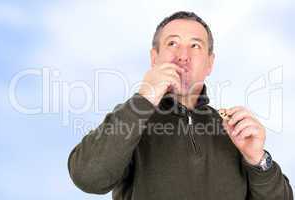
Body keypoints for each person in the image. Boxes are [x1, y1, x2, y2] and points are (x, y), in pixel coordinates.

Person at [68, 11, 293, 200]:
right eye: (172, 43)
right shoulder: (130, 121)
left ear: (209, 64)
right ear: (154, 58)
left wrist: (258, 160)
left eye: (195, 46)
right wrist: (144, 98)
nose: (183, 56)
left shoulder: (234, 130)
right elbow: (88, 178)